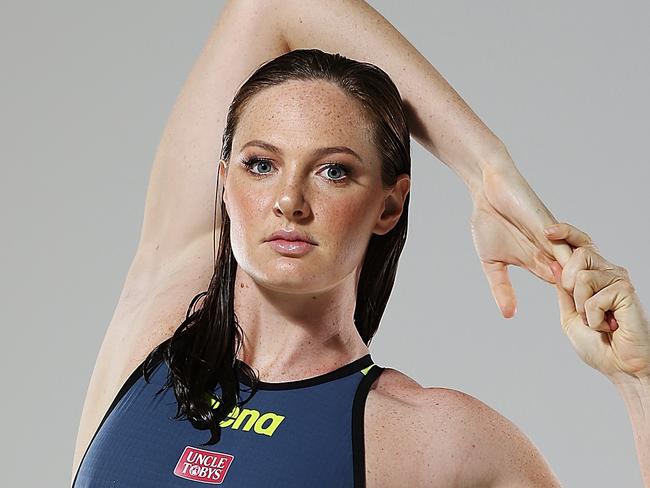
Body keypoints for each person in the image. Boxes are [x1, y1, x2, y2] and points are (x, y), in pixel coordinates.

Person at [70, 1, 650, 486]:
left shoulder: (433, 439)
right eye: (260, 164)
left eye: (333, 172)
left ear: (389, 205)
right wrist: (485, 168)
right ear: (223, 182)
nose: (288, 200)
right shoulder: (148, 342)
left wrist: (639, 384)